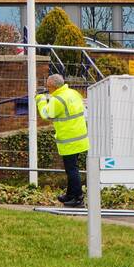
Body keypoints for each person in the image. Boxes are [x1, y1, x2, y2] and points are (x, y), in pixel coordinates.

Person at [35, 73, 88, 207]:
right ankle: (70, 194)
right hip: (80, 136)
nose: (48, 89)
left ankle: (78, 198)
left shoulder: (57, 99)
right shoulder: (73, 93)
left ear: (52, 86)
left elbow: (47, 114)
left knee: (72, 170)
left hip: (69, 139)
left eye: (48, 86)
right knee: (72, 168)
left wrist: (40, 100)